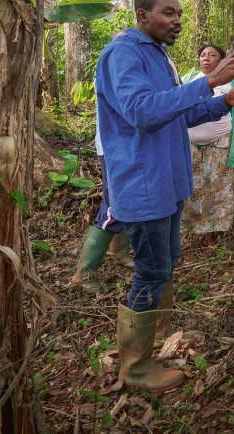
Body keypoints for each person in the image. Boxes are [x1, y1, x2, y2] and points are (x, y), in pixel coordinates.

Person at [97, 0, 234, 392]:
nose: (177, 21)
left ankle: (157, 339)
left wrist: (224, 101)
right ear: (142, 14)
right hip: (143, 181)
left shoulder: (158, 54)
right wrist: (209, 82)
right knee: (151, 271)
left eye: (179, 14)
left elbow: (176, 114)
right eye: (168, 13)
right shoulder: (124, 54)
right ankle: (135, 367)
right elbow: (141, 112)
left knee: (165, 263)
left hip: (167, 181)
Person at [71, 29, 134, 294]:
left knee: (125, 201)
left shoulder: (127, 65)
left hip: (125, 146)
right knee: (113, 205)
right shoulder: (112, 66)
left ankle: (120, 253)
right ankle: (83, 274)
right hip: (113, 147)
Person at [180, 44, 234, 250]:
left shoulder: (232, 84)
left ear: (222, 61)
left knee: (214, 191)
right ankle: (186, 230)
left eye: (212, 55)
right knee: (188, 191)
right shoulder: (188, 81)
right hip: (190, 148)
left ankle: (209, 235)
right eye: (202, 55)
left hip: (220, 148)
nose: (206, 59)